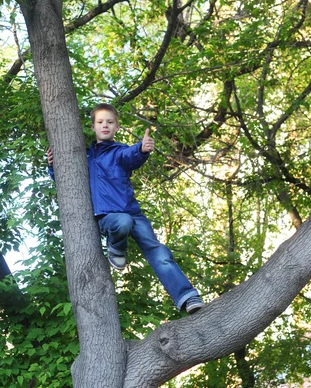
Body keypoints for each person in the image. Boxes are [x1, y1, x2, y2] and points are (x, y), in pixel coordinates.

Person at [47, 103, 203, 314]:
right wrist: (52, 165)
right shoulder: (85, 157)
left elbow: (132, 155)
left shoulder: (119, 152)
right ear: (93, 127)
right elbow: (66, 181)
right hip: (109, 216)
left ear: (117, 127)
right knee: (122, 222)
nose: (105, 126)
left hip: (132, 211)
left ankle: (187, 296)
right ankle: (117, 246)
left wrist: (142, 148)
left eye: (110, 122)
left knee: (157, 250)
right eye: (100, 122)